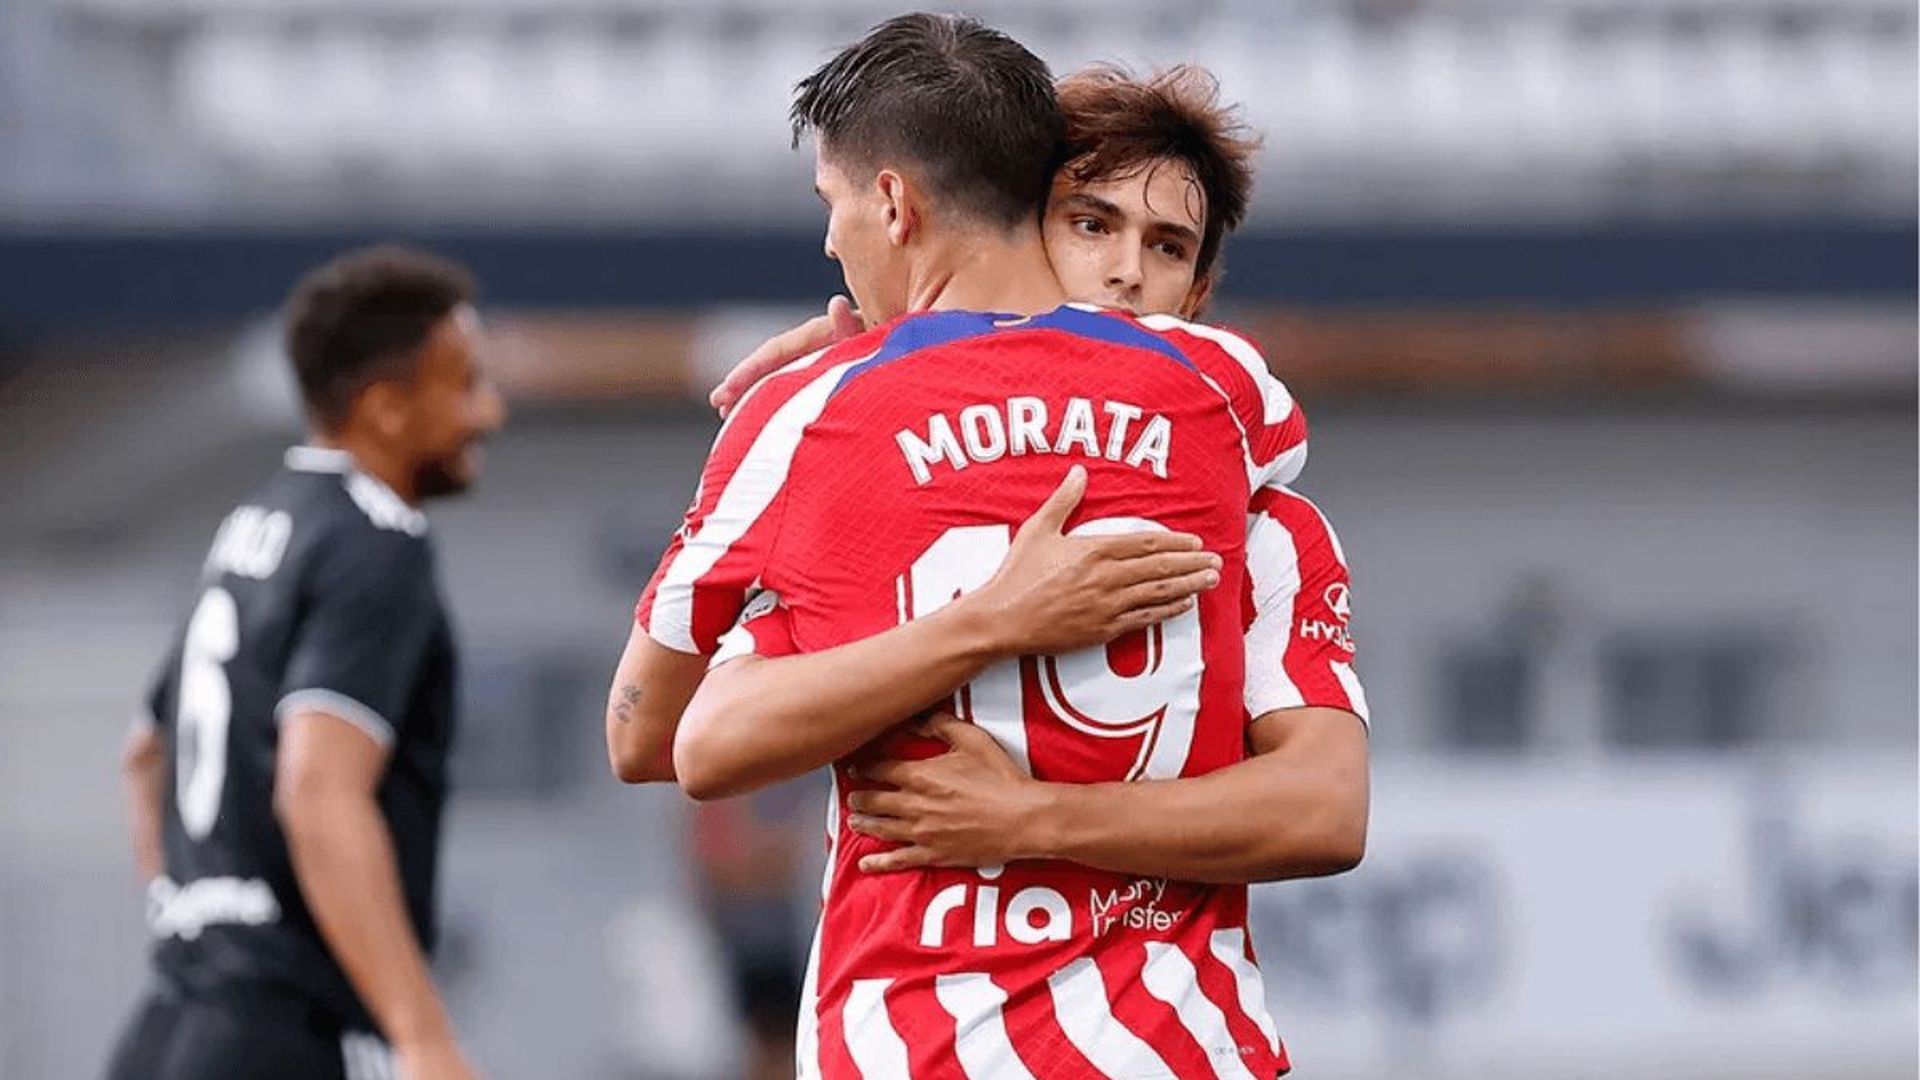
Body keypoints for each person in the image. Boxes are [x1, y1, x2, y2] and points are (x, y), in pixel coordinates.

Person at [608, 15, 1330, 1077]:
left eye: (833, 204)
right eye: (1095, 225)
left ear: (893, 203)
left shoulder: (811, 418)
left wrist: (846, 377)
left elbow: (656, 741)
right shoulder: (1228, 398)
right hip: (1180, 1050)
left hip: (914, 1039)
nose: (1127, 272)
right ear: (1038, 215)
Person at [704, 66, 1370, 888]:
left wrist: (1030, 817)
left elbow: (1327, 809)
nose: (1127, 271)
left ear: (1198, 293)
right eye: (1091, 225)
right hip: (912, 997)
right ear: (1021, 233)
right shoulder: (865, 461)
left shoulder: (1264, 526)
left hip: (1169, 1007)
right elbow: (685, 739)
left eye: (1167, 246)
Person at [110, 247, 504, 1080]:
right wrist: (421, 1034)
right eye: (465, 384)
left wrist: (193, 915)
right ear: (386, 409)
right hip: (280, 1034)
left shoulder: (257, 520)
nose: (489, 412)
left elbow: (144, 754)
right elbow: (319, 790)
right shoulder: (375, 541)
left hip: (169, 1022)